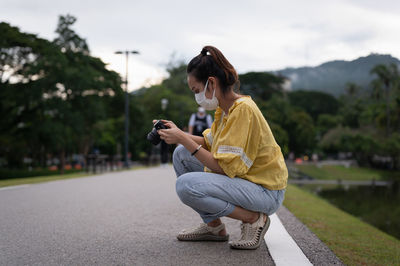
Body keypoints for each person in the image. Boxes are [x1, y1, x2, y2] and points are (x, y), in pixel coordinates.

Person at [155, 45, 288, 250]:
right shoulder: (225, 110)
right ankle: (214, 227)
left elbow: (222, 167)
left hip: (265, 192)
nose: (196, 97)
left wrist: (182, 136)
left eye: (196, 90)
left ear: (211, 82)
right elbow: (209, 143)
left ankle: (253, 218)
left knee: (186, 186)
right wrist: (177, 134)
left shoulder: (243, 110)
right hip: (248, 183)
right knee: (181, 154)